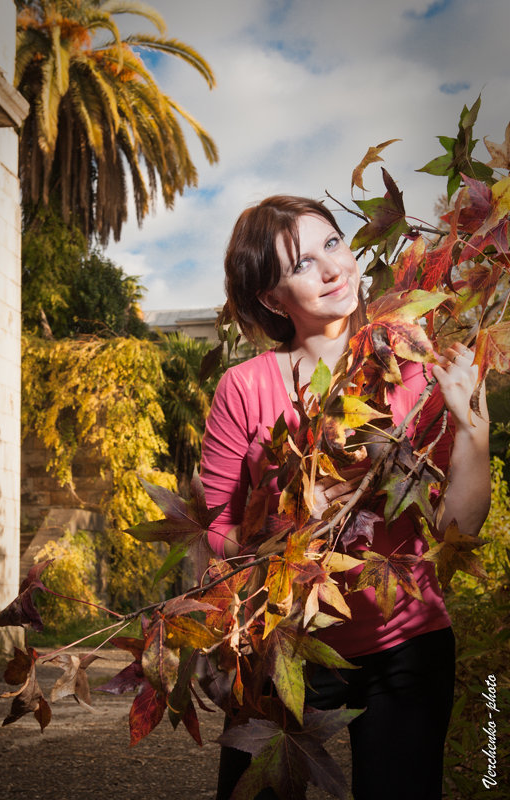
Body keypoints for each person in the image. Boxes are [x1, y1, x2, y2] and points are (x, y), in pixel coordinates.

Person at [199, 196, 491, 800]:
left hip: (406, 641)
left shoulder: (416, 364)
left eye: (332, 244)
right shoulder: (245, 387)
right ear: (271, 299)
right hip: (286, 639)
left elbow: (456, 527)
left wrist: (473, 434)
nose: (333, 269)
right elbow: (217, 524)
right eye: (301, 263)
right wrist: (292, 534)